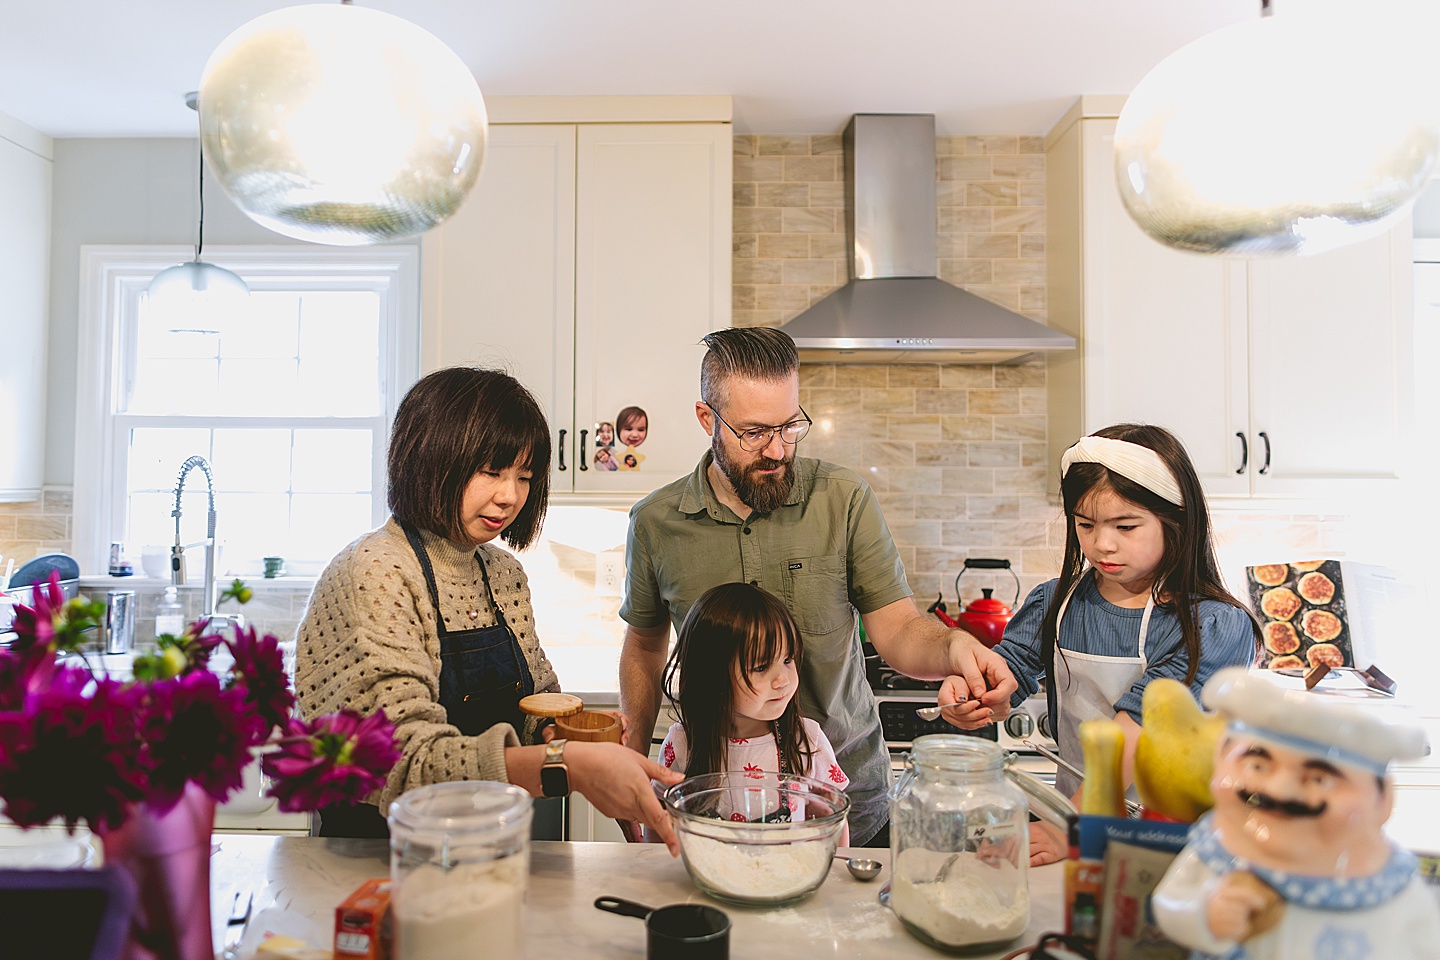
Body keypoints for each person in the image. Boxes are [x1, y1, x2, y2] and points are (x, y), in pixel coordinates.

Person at [619, 327, 1016, 848]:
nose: (778, 450)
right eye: (755, 432)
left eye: (790, 426)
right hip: (712, 813)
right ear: (706, 419)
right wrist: (631, 764)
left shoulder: (842, 499)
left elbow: (897, 630)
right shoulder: (656, 523)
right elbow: (647, 649)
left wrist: (956, 646)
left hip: (849, 803)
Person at [296, 366, 681, 850]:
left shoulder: (501, 572)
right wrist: (565, 765)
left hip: (485, 849)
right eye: (491, 472)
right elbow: (401, 760)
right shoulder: (375, 571)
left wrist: (571, 736)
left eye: (524, 476)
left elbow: (537, 699)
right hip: (378, 861)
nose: (511, 495)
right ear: (430, 459)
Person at [991, 423, 1261, 865]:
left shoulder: (1213, 626)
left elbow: (1140, 731)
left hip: (1174, 844)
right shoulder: (1054, 602)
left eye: (1125, 525)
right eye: (1085, 524)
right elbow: (1012, 667)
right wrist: (985, 691)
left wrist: (1073, 826)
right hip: (1076, 812)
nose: (1102, 543)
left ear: (1176, 521)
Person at [1153, 667, 1440, 959]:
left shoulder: (1389, 884)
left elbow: (1425, 943)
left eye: (1318, 779)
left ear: (1382, 799)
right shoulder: (1217, 850)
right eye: (1258, 766)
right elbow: (1170, 903)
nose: (1281, 790)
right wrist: (1205, 916)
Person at [655, 582, 851, 844]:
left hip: (785, 881)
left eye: (788, 659)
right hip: (704, 881)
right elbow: (657, 818)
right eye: (761, 667)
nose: (782, 680)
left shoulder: (806, 740)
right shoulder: (681, 744)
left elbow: (835, 820)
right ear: (711, 677)